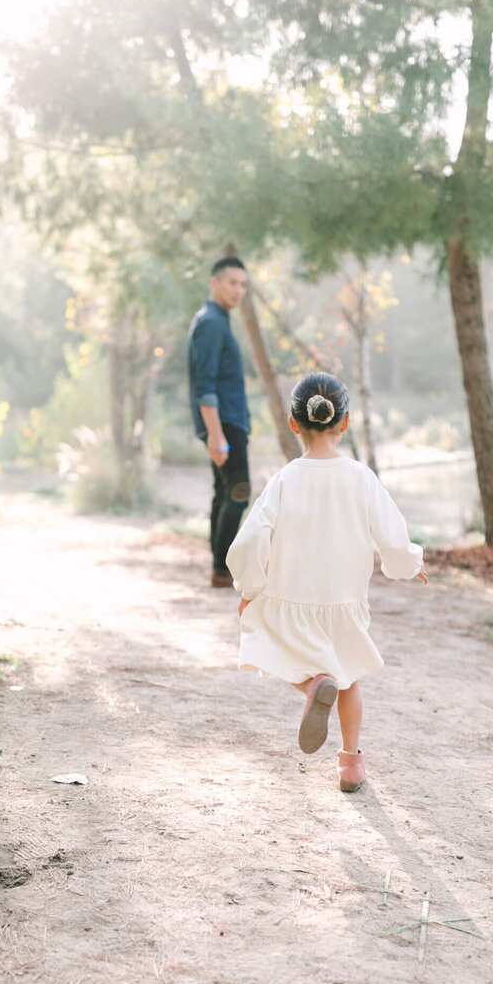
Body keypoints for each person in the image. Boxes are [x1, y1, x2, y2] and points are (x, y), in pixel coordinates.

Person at [225, 372, 427, 792]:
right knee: (348, 676)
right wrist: (410, 563)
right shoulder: (361, 477)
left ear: (294, 424)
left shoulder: (283, 480)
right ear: (345, 423)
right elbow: (391, 535)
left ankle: (313, 684)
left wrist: (250, 590)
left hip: (290, 597)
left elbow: (251, 539)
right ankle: (351, 764)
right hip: (345, 599)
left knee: (269, 642)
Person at [188, 257, 252, 588]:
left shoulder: (218, 321)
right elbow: (205, 384)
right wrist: (216, 434)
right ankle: (223, 567)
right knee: (239, 490)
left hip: (227, 421)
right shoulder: (211, 323)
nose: (238, 290)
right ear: (215, 282)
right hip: (224, 423)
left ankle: (219, 569)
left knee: (224, 491)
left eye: (243, 285)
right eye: (232, 283)